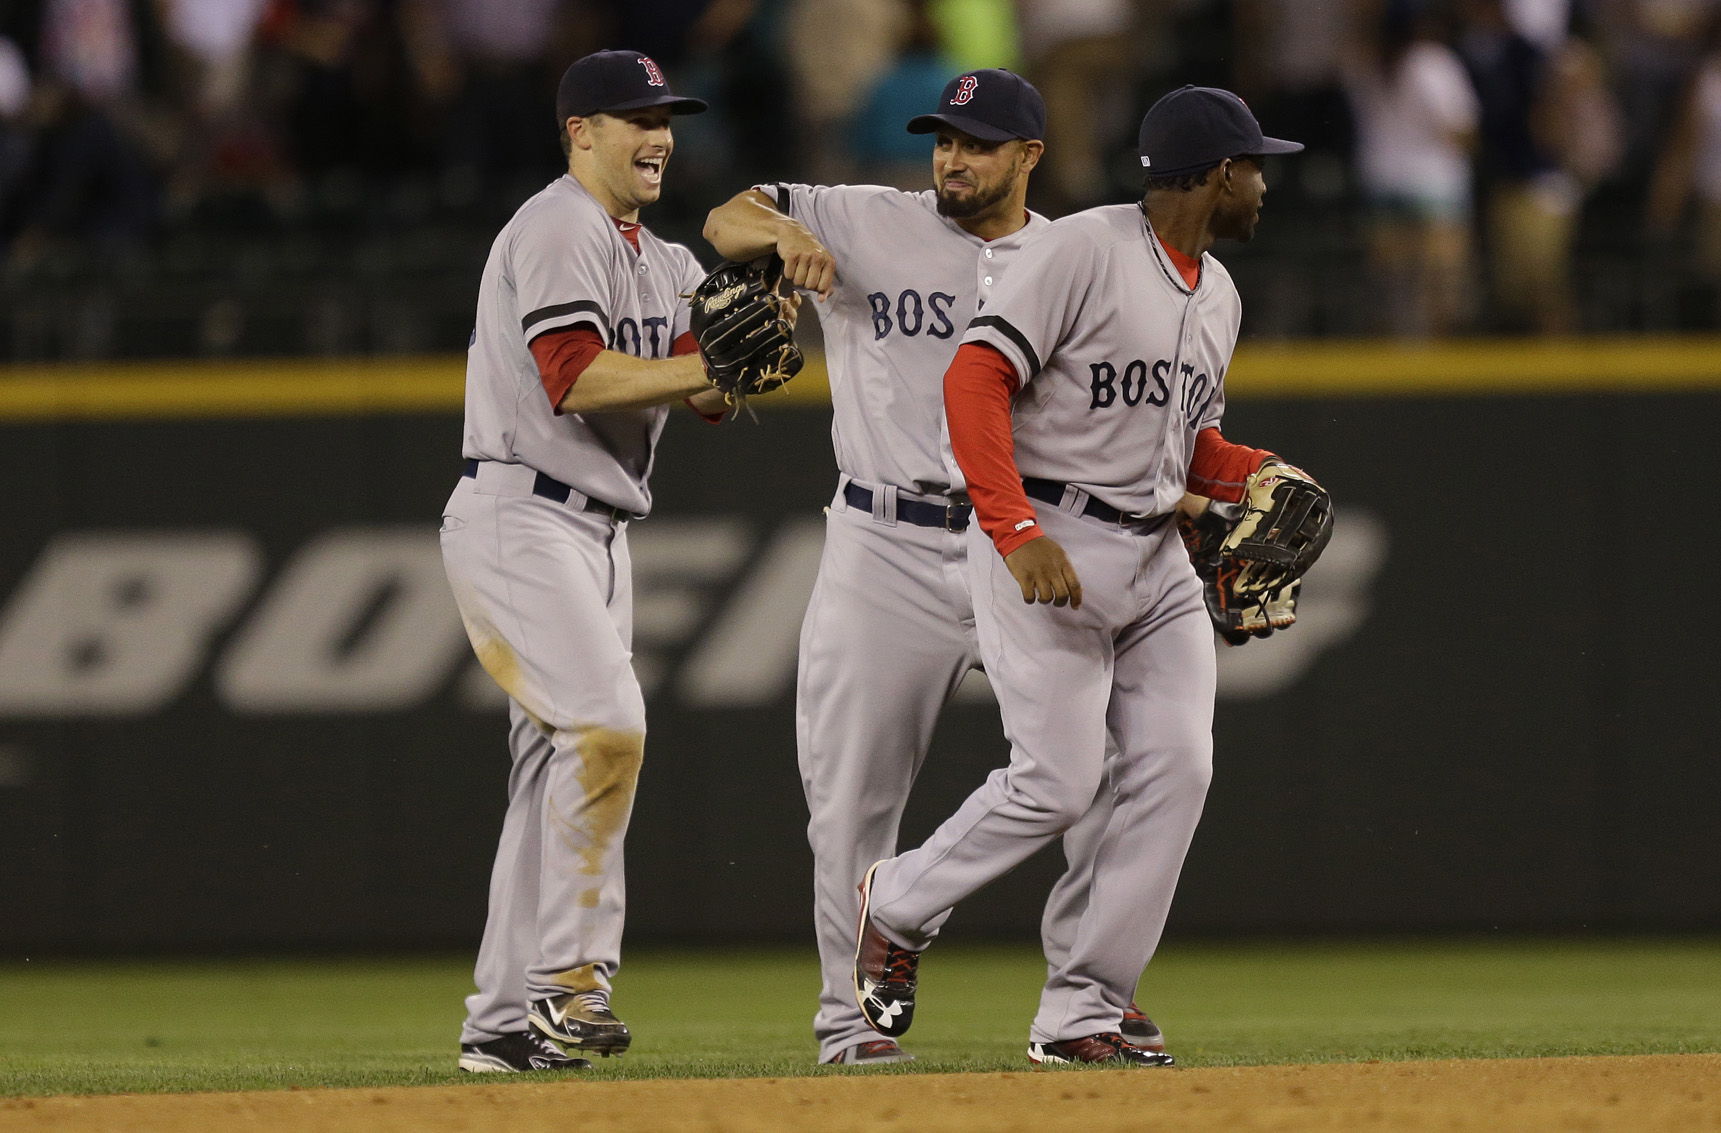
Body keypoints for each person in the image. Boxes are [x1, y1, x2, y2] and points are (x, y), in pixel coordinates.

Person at [703, 68, 1161, 1067]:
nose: (952, 157)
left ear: (1029, 156)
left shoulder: (1074, 256)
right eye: (943, 138)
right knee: (853, 793)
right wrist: (786, 237)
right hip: (884, 539)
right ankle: (850, 1024)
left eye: (978, 142)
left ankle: (1087, 1002)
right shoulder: (867, 217)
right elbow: (723, 217)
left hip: (1020, 540)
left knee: (1097, 773)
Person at [853, 84, 1303, 1067]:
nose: (1264, 184)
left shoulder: (1217, 292)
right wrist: (1012, 529)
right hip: (1046, 533)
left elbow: (1192, 446)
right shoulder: (1080, 251)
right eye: (1255, 166)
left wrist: (1254, 471)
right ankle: (896, 902)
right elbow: (974, 378)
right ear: (1218, 172)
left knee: (1176, 764)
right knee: (1056, 780)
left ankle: (1084, 1003)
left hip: (1153, 554)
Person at [439, 49, 733, 1074]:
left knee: (551, 764)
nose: (657, 134)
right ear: (579, 133)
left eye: (665, 116)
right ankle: (567, 982)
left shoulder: (664, 260)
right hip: (521, 513)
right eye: (633, 117)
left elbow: (711, 392)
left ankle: (501, 1023)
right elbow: (572, 376)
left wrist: (744, 352)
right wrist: (708, 361)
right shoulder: (558, 221)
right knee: (608, 728)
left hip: (597, 533)